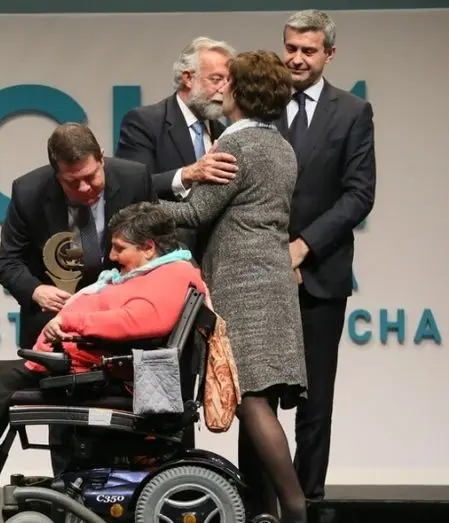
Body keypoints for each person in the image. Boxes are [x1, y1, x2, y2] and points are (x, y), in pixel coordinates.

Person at [0, 201, 207, 481]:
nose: (111, 256)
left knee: (7, 379)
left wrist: (72, 322)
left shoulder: (173, 274)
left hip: (112, 377)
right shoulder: (156, 272)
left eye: (120, 248)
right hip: (97, 365)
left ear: (148, 247)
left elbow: (140, 320)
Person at [158, 50, 309, 523]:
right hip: (274, 281)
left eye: (230, 83)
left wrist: (139, 203)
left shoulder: (238, 145)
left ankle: (295, 507)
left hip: (243, 285)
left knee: (250, 399)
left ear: (241, 92)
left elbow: (195, 212)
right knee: (262, 400)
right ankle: (269, 512)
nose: (222, 89)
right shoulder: (282, 146)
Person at [0, 122, 156, 474]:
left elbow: (158, 250)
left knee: (126, 443)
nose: (84, 188)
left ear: (102, 159)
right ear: (56, 175)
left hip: (122, 330)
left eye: (91, 177)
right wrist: (36, 290)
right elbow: (7, 262)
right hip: (61, 336)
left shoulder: (135, 179)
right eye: (72, 182)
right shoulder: (28, 191)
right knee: (68, 442)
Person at [278, 10, 376, 503]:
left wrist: (303, 246)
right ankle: (259, 500)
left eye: (308, 50)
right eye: (290, 48)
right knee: (257, 399)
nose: (297, 58)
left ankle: (307, 500)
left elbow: (359, 194)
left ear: (329, 54)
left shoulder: (352, 111)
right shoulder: (260, 104)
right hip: (261, 274)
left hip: (320, 273)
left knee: (315, 399)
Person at [115, 36, 239, 260]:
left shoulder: (223, 133)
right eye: (217, 79)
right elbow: (132, 190)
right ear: (188, 78)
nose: (224, 89)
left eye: (228, 81)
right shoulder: (145, 122)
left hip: (213, 259)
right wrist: (187, 174)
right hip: (163, 256)